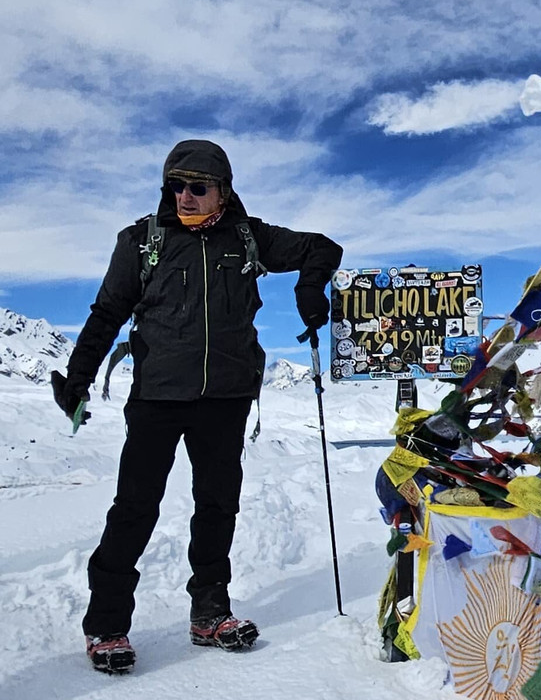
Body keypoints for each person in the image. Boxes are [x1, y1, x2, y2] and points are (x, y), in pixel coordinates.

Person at [52, 139, 343, 674]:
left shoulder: (249, 237)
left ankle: (210, 613)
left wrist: (310, 288)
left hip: (226, 398)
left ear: (223, 192)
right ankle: (107, 625)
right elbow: (107, 312)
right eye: (175, 185)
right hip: (157, 398)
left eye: (197, 186)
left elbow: (322, 248)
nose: (184, 195)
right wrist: (78, 377)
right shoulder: (143, 241)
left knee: (217, 507)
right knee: (135, 509)